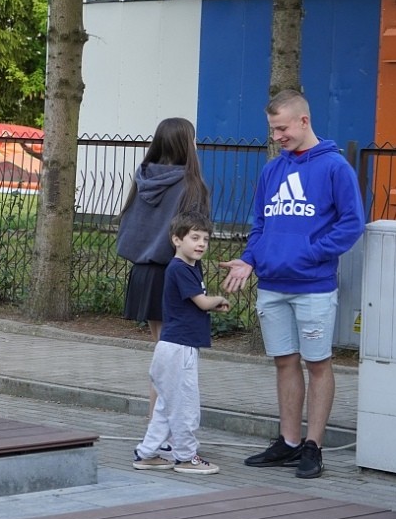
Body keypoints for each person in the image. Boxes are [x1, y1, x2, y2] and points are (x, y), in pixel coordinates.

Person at [220, 89, 364, 479]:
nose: (277, 136)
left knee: (317, 363)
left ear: (303, 120)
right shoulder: (272, 169)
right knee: (284, 362)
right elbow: (261, 224)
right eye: (272, 129)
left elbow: (351, 225)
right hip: (272, 284)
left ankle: (313, 447)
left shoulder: (335, 168)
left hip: (313, 285)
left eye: (282, 128)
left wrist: (310, 253)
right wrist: (250, 260)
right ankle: (288, 441)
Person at [116, 117, 210, 435]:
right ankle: (164, 428)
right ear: (187, 144)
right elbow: (193, 237)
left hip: (143, 272)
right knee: (176, 357)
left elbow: (129, 226)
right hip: (176, 275)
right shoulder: (190, 185)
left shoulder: (143, 178)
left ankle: (156, 421)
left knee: (162, 351)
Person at [133, 212, 230, 475]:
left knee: (165, 405)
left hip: (171, 347)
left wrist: (212, 304)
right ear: (177, 240)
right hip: (179, 349)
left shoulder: (188, 267)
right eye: (194, 238)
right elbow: (200, 301)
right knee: (185, 406)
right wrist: (218, 299)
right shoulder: (180, 268)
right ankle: (186, 457)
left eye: (206, 239)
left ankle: (147, 452)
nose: (201, 244)